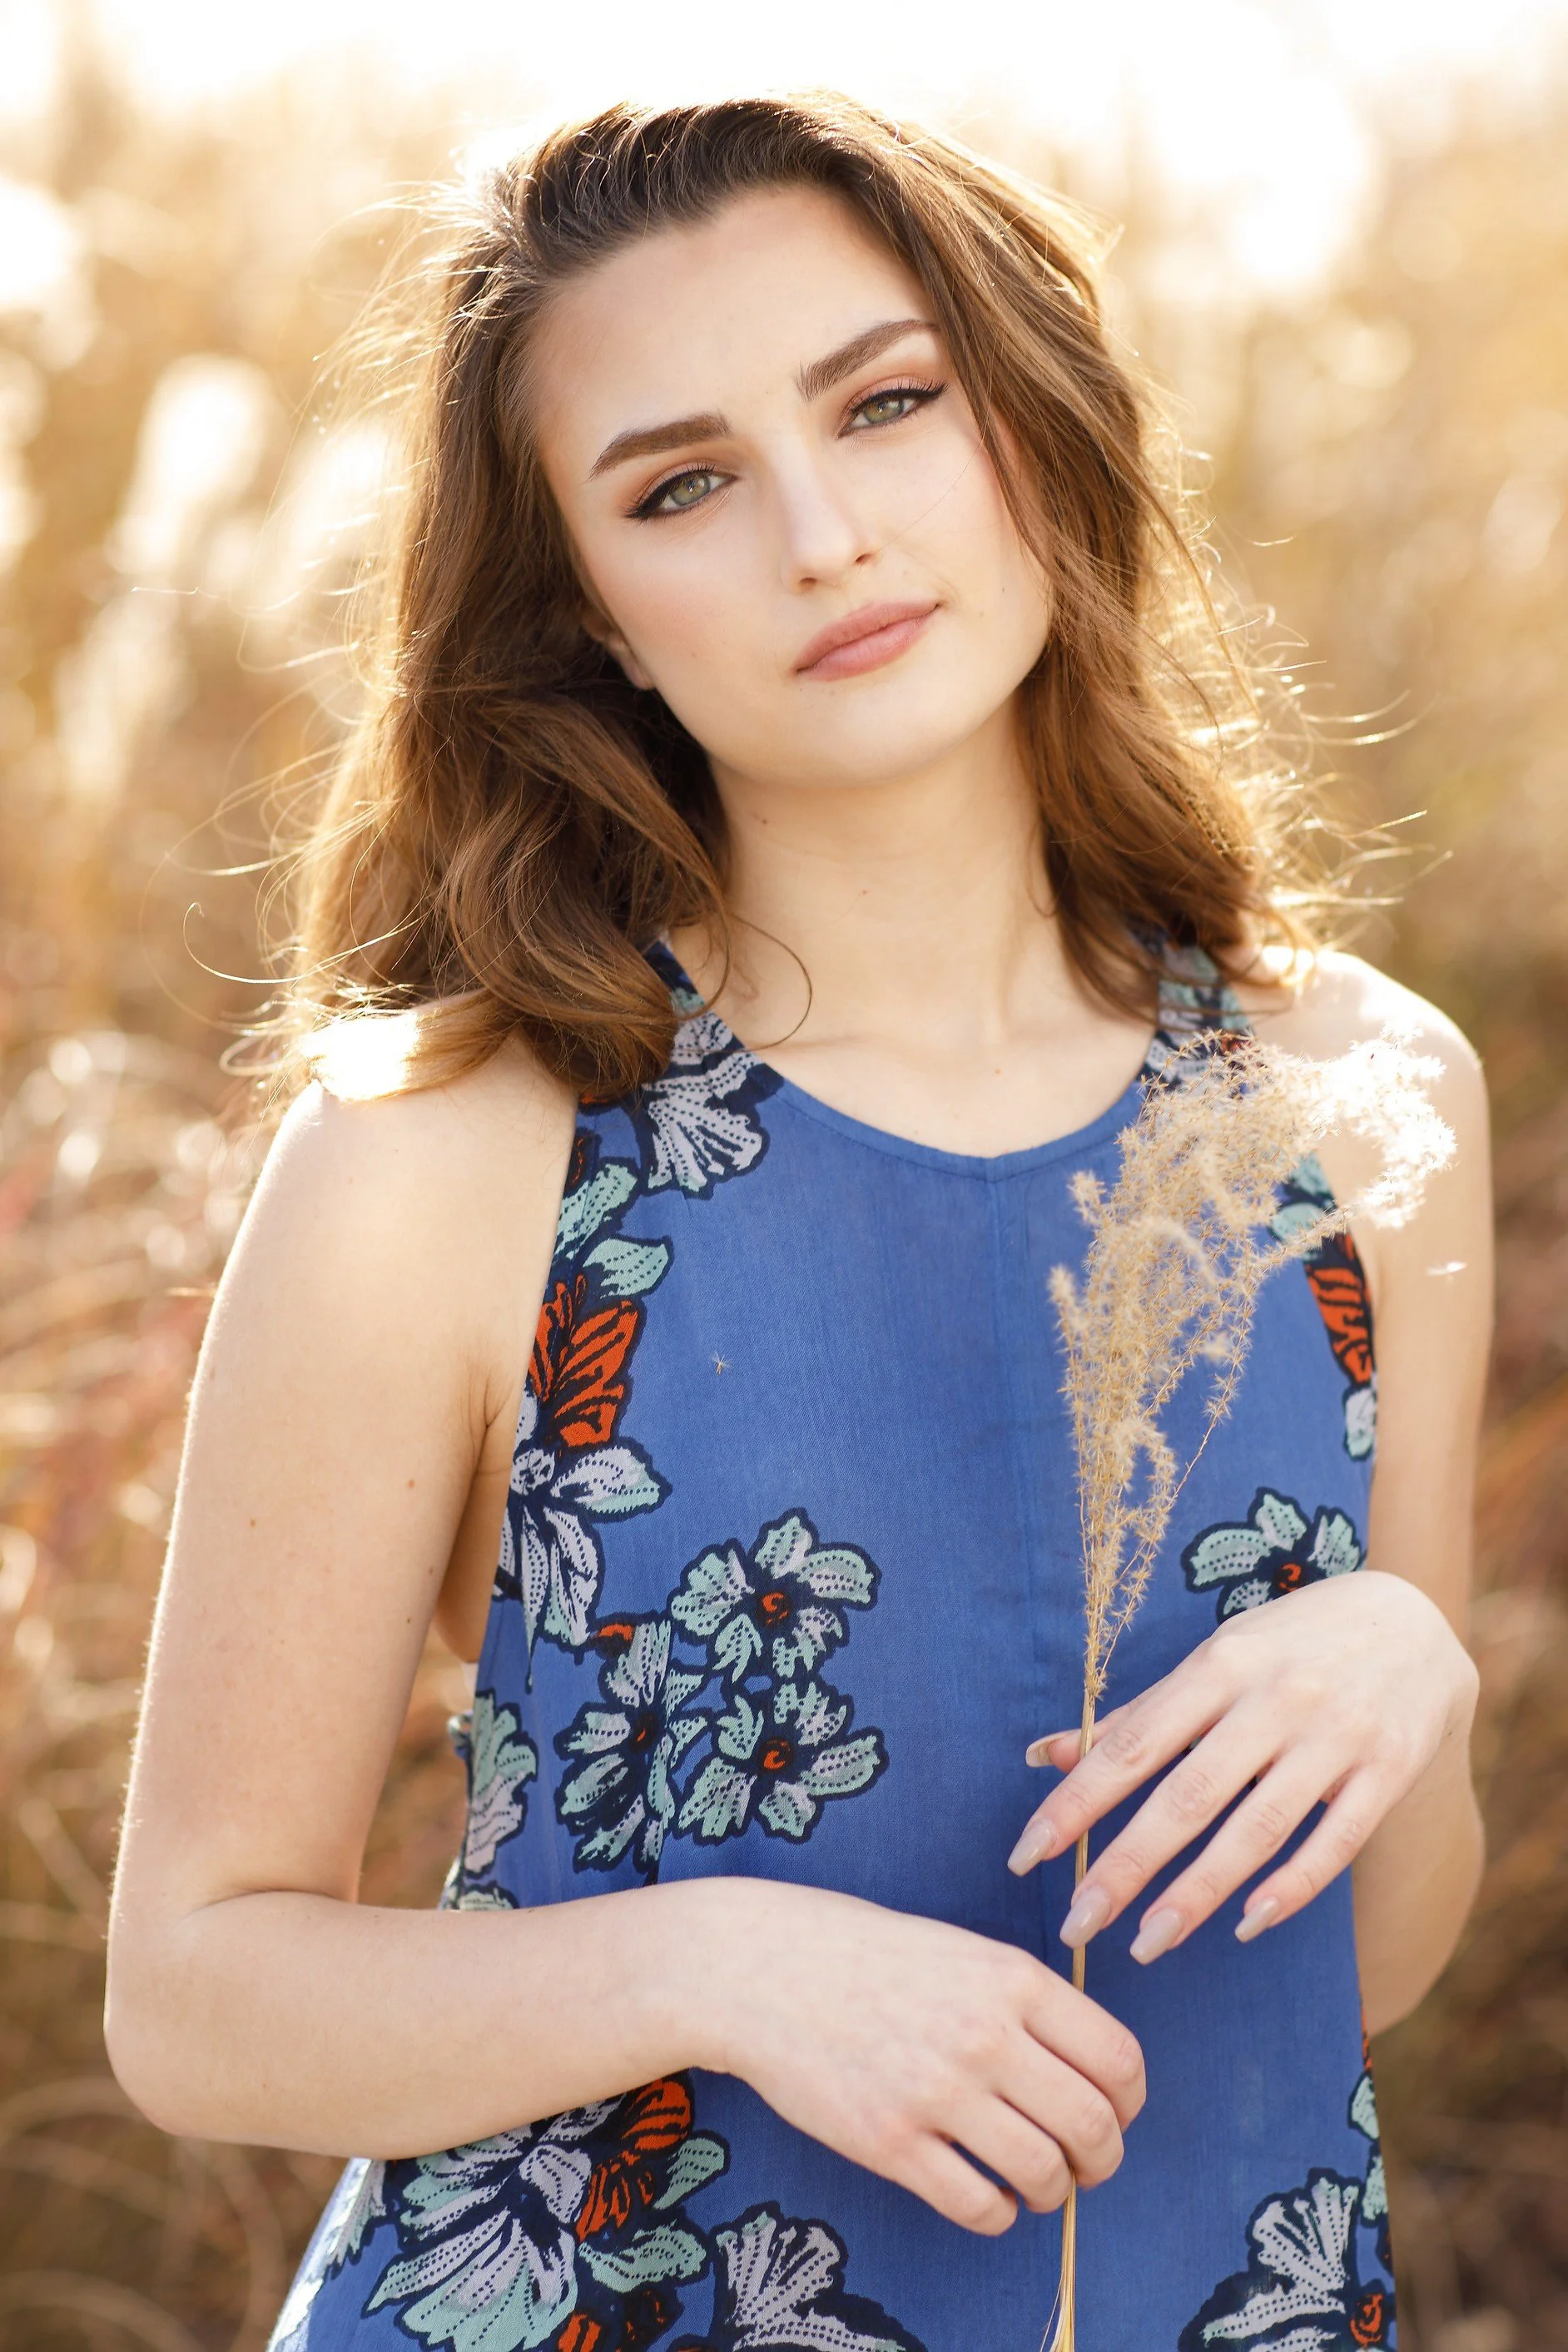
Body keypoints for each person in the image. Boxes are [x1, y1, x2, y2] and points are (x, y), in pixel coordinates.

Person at [106, 94, 1490, 2352]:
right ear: (594, 620)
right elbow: (193, 1994)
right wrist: (720, 1963)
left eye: (885, 404)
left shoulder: (1357, 1097)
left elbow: (1365, 1968)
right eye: (681, 484)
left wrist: (1407, 1676)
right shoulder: (451, 1156)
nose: (824, 533)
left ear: (1031, 425)